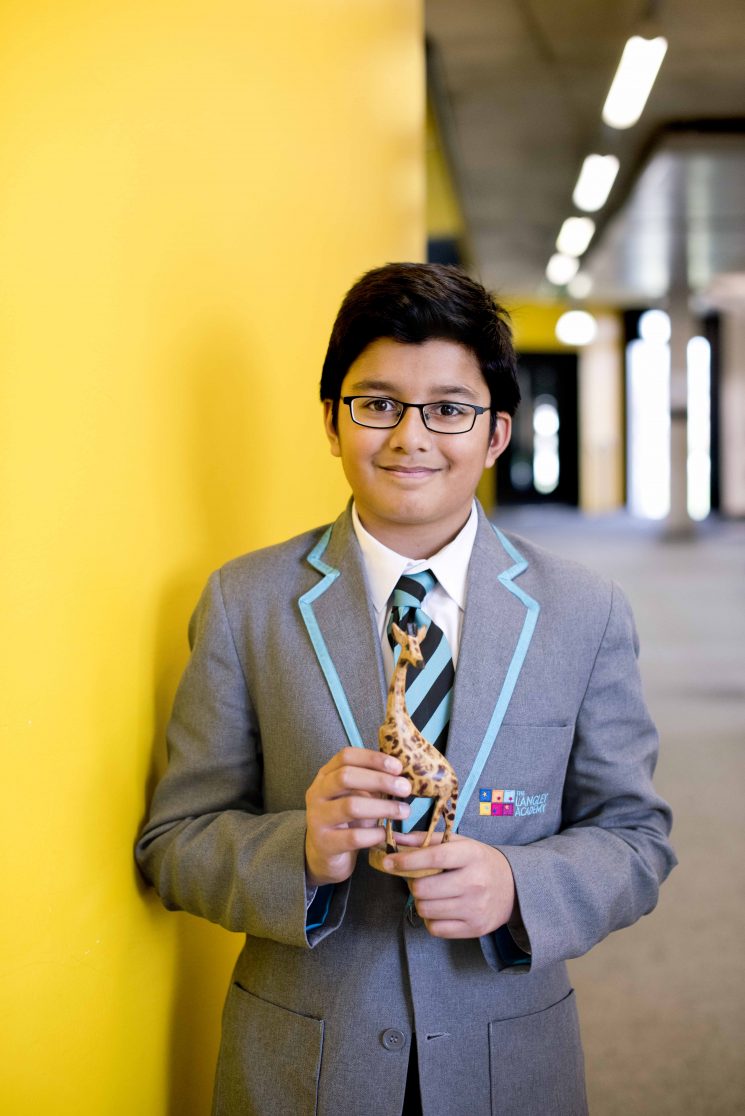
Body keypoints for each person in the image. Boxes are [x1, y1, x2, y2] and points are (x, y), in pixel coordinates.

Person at [136, 262, 676, 1116]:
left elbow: (635, 837)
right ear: (330, 420)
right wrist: (301, 854)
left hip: (509, 1057)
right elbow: (175, 842)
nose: (409, 437)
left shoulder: (583, 610)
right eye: (376, 403)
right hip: (302, 1061)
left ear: (496, 434)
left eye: (449, 410)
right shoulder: (246, 602)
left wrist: (516, 884)